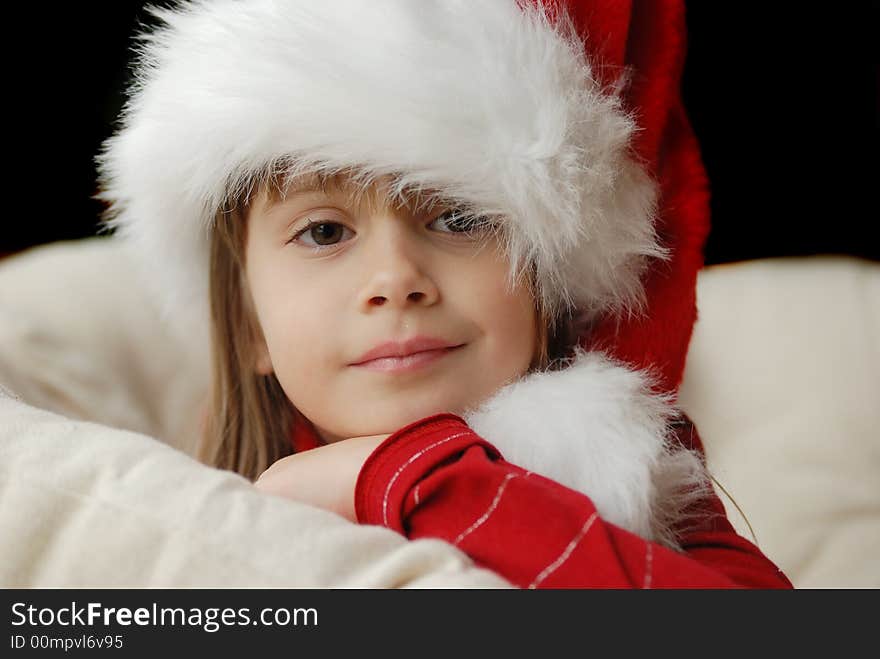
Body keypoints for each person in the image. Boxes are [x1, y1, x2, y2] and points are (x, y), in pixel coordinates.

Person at [98, 0, 792, 588]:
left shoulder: (636, 460)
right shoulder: (208, 512)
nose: (396, 277)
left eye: (459, 217)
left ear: (546, 279)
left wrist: (403, 474)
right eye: (323, 232)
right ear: (249, 325)